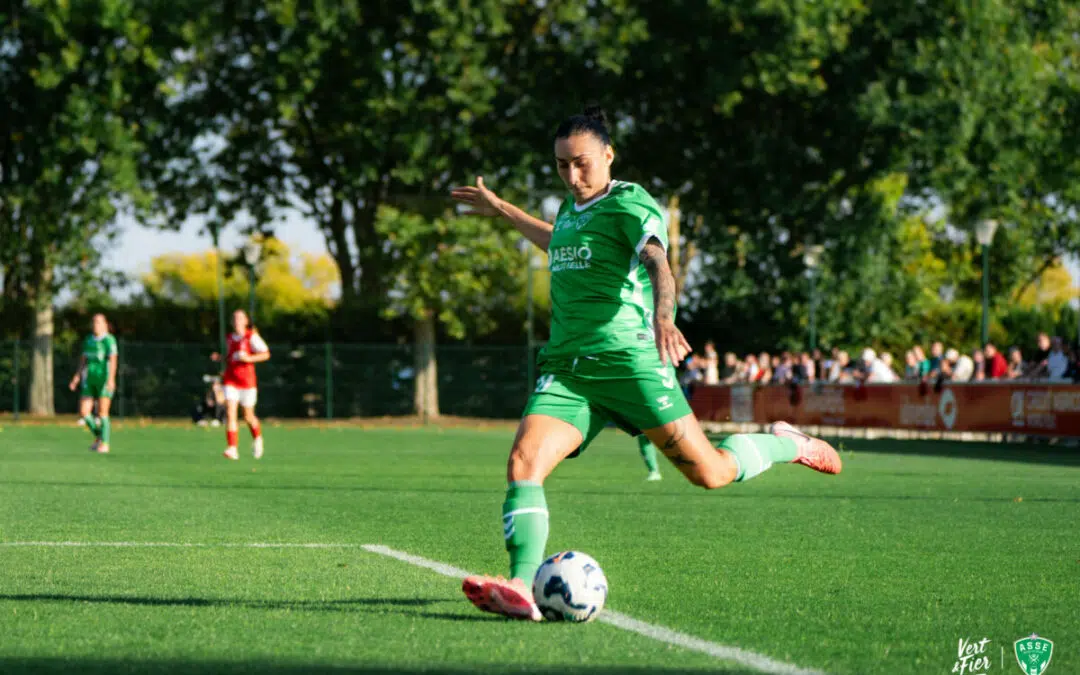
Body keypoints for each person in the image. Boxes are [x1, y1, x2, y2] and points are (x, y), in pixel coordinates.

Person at [449, 105, 841, 622]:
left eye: (582, 163)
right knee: (524, 463)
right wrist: (504, 210)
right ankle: (520, 585)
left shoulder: (630, 203)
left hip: (631, 363)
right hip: (569, 370)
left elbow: (658, 261)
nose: (572, 174)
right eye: (562, 164)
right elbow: (556, 239)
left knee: (711, 473)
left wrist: (664, 317)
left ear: (608, 155)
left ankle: (786, 442)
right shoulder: (571, 211)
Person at [219, 309, 270, 460]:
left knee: (248, 416)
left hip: (247, 382)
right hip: (231, 380)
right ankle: (232, 448)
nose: (237, 321)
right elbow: (229, 357)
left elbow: (266, 354)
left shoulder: (251, 337)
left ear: (246, 321)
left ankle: (257, 438)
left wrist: (248, 359)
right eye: (234, 318)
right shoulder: (228, 338)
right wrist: (221, 358)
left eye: (240, 318)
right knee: (230, 412)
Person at [68, 313, 118, 454]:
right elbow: (83, 361)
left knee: (102, 413)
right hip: (89, 380)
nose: (95, 325)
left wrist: (111, 379)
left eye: (99, 322)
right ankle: (99, 437)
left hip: (103, 380)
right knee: (84, 412)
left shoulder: (109, 340)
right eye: (94, 322)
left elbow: (113, 361)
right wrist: (77, 377)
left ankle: (105, 444)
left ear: (105, 324)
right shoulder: (88, 340)